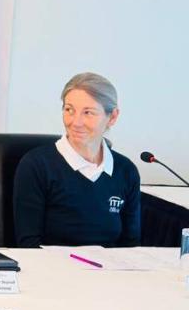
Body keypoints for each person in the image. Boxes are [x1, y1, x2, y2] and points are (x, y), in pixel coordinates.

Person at [13, 72, 140, 247]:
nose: (76, 122)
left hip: (109, 265)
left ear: (112, 117)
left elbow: (131, 246)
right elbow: (28, 244)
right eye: (69, 110)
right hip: (50, 264)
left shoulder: (126, 171)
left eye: (88, 113)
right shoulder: (36, 165)